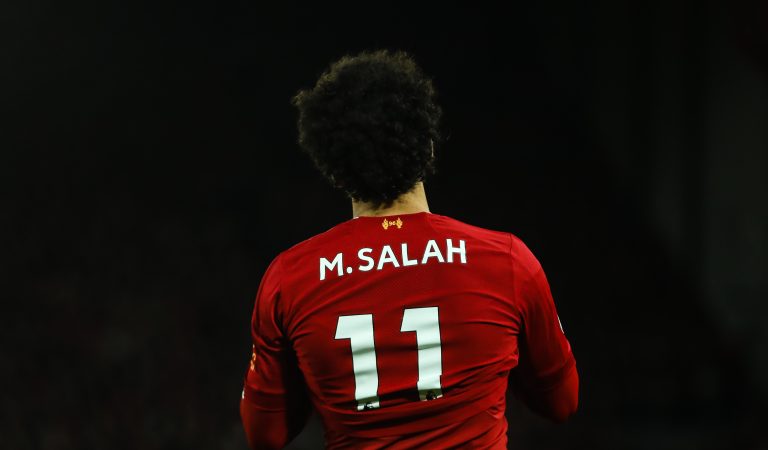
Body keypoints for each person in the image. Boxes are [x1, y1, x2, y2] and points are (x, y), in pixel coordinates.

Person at [240, 49, 578, 450]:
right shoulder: (507, 261)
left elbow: (265, 434)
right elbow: (561, 402)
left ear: (334, 169)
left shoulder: (290, 279)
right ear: (429, 146)